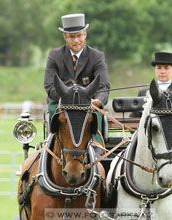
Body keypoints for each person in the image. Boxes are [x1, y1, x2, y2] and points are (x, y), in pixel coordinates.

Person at [44, 13, 110, 155]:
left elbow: (103, 86)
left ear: (85, 34)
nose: (76, 40)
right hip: (60, 103)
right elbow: (49, 86)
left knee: (94, 115)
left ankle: (96, 148)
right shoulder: (54, 56)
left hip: (89, 105)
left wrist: (98, 101)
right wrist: (68, 98)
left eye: (79, 36)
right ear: (65, 37)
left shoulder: (96, 56)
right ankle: (52, 147)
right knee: (58, 115)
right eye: (72, 37)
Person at [130, 52, 172, 156]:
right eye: (159, 68)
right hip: (149, 150)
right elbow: (133, 119)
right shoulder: (143, 93)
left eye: (166, 68)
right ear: (155, 70)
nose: (162, 71)